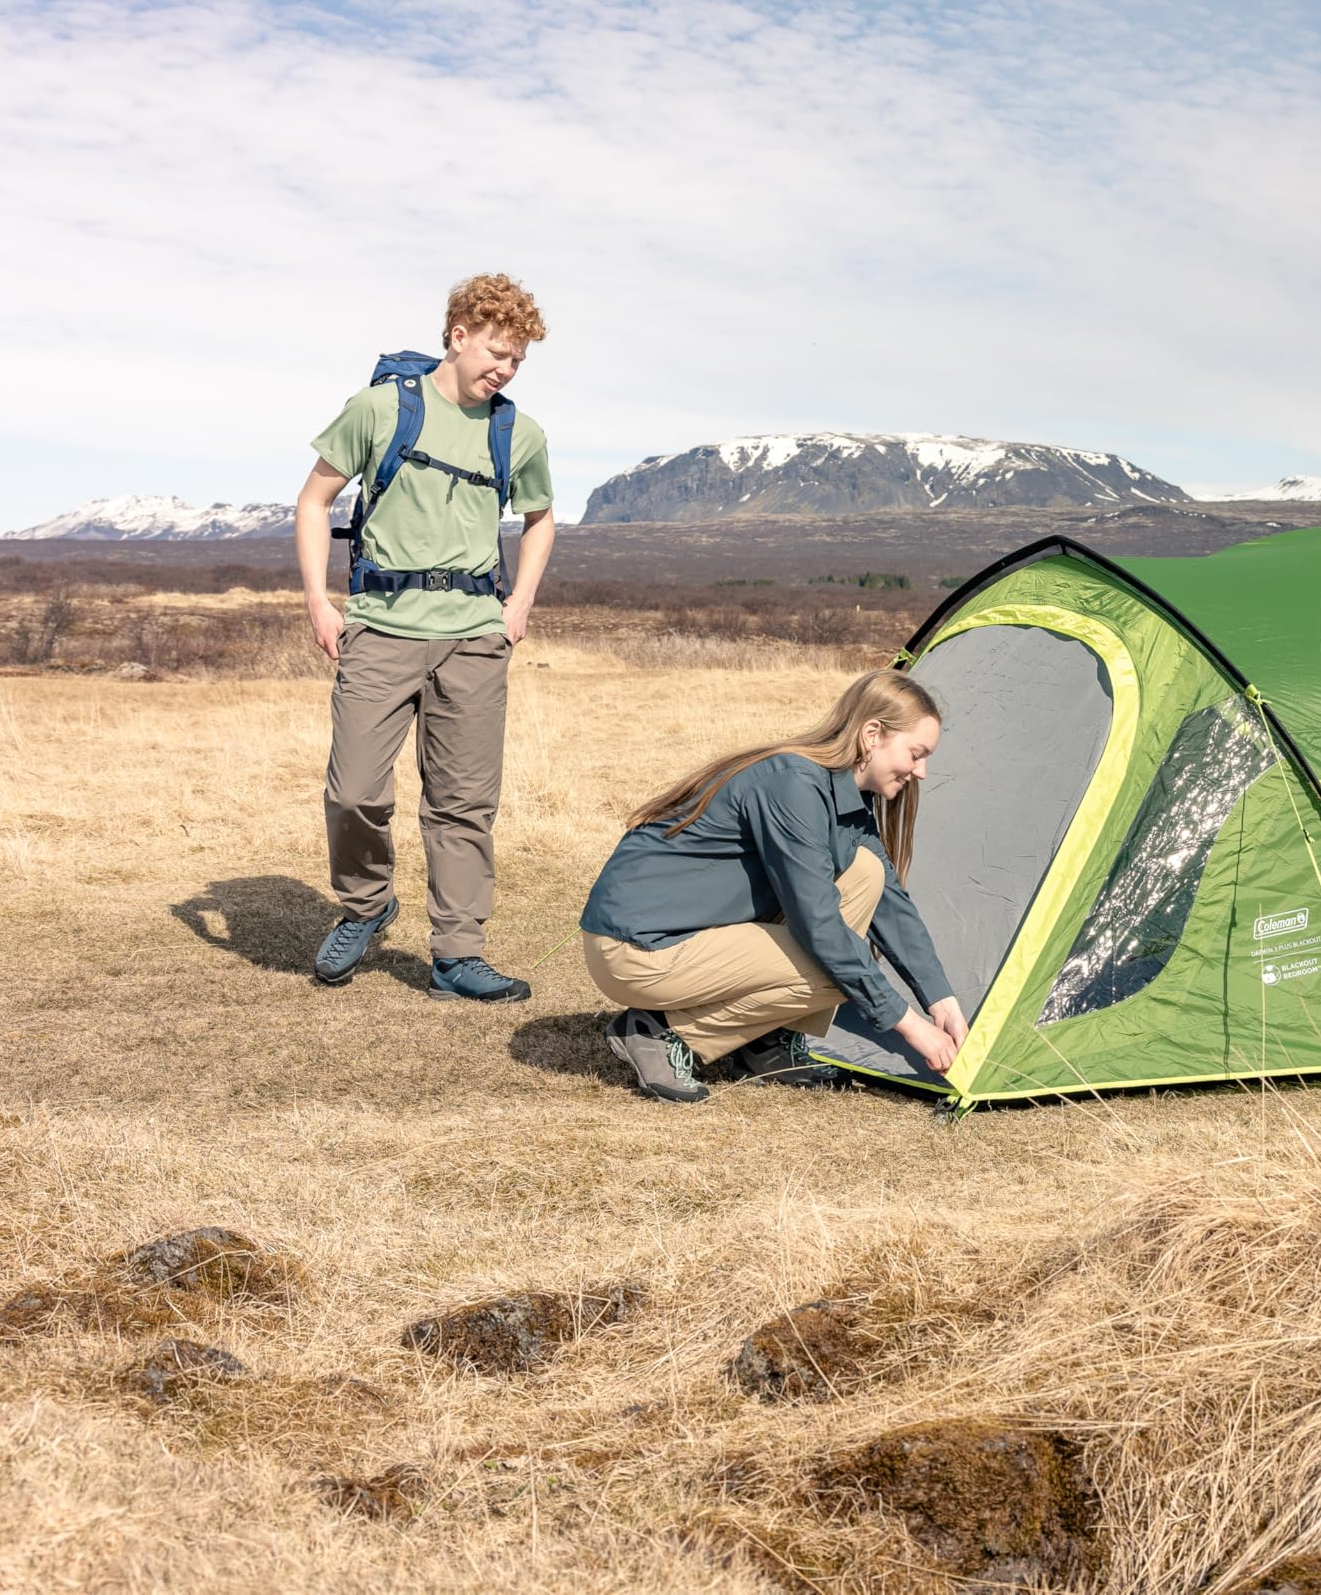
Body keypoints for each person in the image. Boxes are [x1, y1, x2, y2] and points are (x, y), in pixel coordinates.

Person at [294, 273, 556, 1000]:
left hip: (475, 638)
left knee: (463, 804)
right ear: (458, 336)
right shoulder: (380, 408)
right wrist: (319, 601)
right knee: (353, 792)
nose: (506, 369)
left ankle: (457, 957)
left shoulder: (519, 433)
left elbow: (540, 519)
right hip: (380, 629)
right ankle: (367, 905)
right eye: (497, 352)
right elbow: (314, 500)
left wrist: (519, 603)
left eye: (518, 359)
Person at [578, 669, 967, 1102]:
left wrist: (941, 1001)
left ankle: (765, 1047)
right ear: (872, 735)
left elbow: (890, 904)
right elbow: (820, 926)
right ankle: (657, 1032)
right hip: (637, 950)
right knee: (837, 972)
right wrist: (912, 1027)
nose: (922, 771)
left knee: (867, 873)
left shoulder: (844, 797)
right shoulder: (793, 785)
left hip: (688, 933)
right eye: (916, 754)